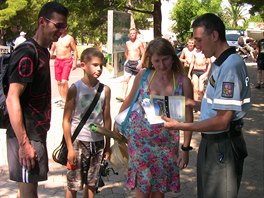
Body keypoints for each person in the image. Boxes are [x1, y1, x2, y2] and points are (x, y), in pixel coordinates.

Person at [162, 13, 251, 198]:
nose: (197, 46)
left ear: (215, 35)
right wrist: (193, 103)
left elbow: (221, 121)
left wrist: (180, 126)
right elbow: (216, 106)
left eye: (199, 40)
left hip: (222, 145)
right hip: (213, 143)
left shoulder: (230, 66)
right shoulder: (220, 63)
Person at [115, 37, 193, 197]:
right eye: (157, 61)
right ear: (151, 60)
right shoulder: (143, 75)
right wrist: (117, 123)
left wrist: (185, 149)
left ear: (173, 57)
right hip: (139, 143)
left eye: (166, 59)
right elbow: (129, 100)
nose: (162, 65)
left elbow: (188, 117)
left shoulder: (183, 81)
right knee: (142, 190)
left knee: (159, 191)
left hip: (167, 145)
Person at [5, 2, 69, 197]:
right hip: (26, 135)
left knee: (26, 188)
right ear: (42, 21)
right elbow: (12, 98)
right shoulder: (27, 52)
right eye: (58, 25)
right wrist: (24, 145)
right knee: (28, 192)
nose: (61, 31)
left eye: (64, 26)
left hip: (36, 134)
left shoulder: (43, 51)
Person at [62, 47, 111, 198]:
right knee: (74, 184)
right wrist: (70, 147)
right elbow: (66, 120)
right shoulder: (75, 89)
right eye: (95, 65)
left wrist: (107, 146)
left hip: (97, 143)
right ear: (83, 65)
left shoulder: (105, 90)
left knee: (92, 183)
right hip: (78, 142)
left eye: (101, 65)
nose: (99, 68)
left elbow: (107, 118)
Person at [50, 29, 78, 107]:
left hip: (67, 61)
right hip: (58, 61)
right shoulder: (55, 38)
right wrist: (48, 57)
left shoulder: (69, 38)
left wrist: (75, 62)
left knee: (64, 81)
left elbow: (75, 50)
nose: (61, 30)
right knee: (59, 82)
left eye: (63, 28)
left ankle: (67, 100)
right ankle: (63, 99)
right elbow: (52, 50)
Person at [116, 27, 145, 102]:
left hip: (137, 63)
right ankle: (123, 96)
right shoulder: (127, 43)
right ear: (129, 34)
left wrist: (141, 63)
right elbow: (126, 52)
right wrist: (127, 60)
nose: (132, 35)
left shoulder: (139, 43)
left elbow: (144, 53)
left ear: (136, 34)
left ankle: (141, 96)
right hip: (129, 63)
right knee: (125, 80)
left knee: (140, 81)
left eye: (134, 33)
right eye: (131, 33)